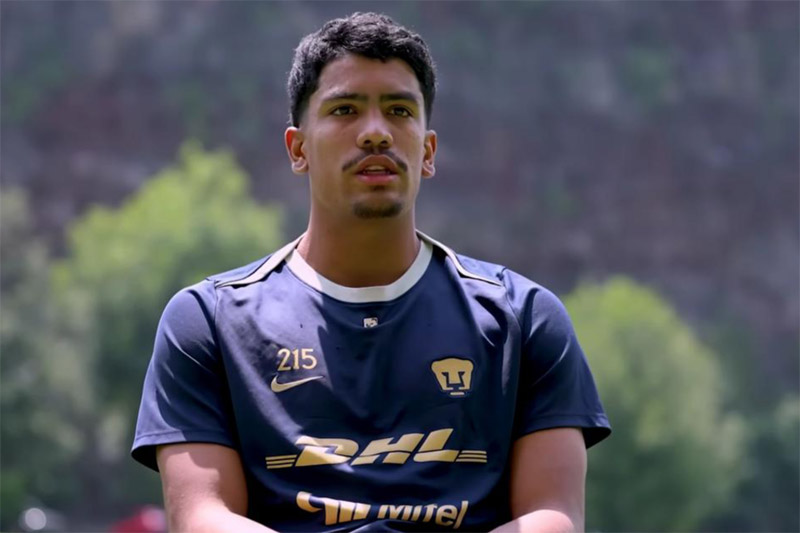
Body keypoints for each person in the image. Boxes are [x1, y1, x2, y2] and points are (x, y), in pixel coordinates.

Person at [132, 12, 610, 532]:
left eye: (400, 111)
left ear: (427, 151)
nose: (377, 132)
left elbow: (553, 517)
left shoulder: (523, 319)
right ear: (298, 149)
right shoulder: (209, 321)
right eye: (345, 110)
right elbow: (202, 517)